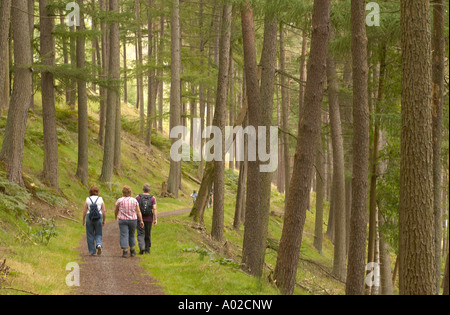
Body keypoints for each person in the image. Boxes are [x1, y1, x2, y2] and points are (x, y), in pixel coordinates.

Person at [115, 185, 144, 258]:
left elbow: (116, 210)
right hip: (133, 220)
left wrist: (116, 216)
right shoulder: (134, 200)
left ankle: (125, 251)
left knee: (124, 234)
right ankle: (132, 250)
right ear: (130, 192)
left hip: (123, 220)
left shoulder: (120, 200)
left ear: (123, 192)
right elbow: (138, 211)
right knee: (132, 234)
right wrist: (141, 220)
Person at [82, 185, 106, 256]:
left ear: (90, 192)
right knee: (98, 233)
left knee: (90, 234)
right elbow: (104, 210)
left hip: (89, 216)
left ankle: (92, 251)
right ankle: (98, 244)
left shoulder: (88, 199)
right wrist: (104, 220)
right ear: (97, 191)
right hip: (98, 217)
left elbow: (84, 210)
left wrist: (83, 220)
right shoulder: (100, 199)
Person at [136, 183, 158, 255]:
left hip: (140, 218)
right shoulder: (152, 198)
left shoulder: (138, 197)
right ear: (149, 190)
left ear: (143, 189)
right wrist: (155, 219)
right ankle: (147, 250)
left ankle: (142, 247)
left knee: (140, 233)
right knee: (148, 234)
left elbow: (135, 207)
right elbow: (154, 209)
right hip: (149, 219)